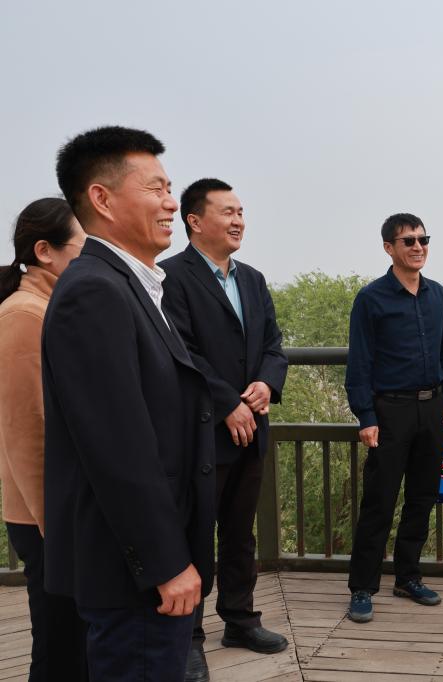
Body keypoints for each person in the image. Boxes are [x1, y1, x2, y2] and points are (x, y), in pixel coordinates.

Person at [44, 125, 216, 681]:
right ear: (102, 198)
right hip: (134, 575)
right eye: (156, 188)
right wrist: (165, 563)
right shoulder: (95, 291)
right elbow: (118, 449)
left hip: (145, 565)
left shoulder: (132, 284)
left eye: (170, 188)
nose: (171, 202)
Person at [161, 178, 289, 681]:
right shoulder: (171, 277)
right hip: (201, 435)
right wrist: (226, 404)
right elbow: (181, 353)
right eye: (227, 212)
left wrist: (265, 384)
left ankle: (240, 619)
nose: (239, 221)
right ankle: (187, 636)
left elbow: (274, 344)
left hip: (251, 431)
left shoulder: (252, 279)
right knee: (195, 534)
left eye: (241, 212)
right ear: (195, 221)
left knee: (240, 533)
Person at [344, 213, 443, 623]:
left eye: (423, 239)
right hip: (389, 411)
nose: (417, 247)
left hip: (431, 408)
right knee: (379, 500)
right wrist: (366, 416)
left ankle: (408, 577)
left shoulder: (436, 294)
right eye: (408, 240)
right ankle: (362, 587)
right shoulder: (371, 298)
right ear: (389, 248)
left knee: (422, 497)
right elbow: (359, 363)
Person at [0, 198, 88, 680]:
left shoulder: (50, 307)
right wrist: (53, 523)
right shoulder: (23, 315)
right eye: (82, 247)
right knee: (58, 649)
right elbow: (25, 429)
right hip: (44, 516)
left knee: (74, 641)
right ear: (44, 251)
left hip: (63, 509)